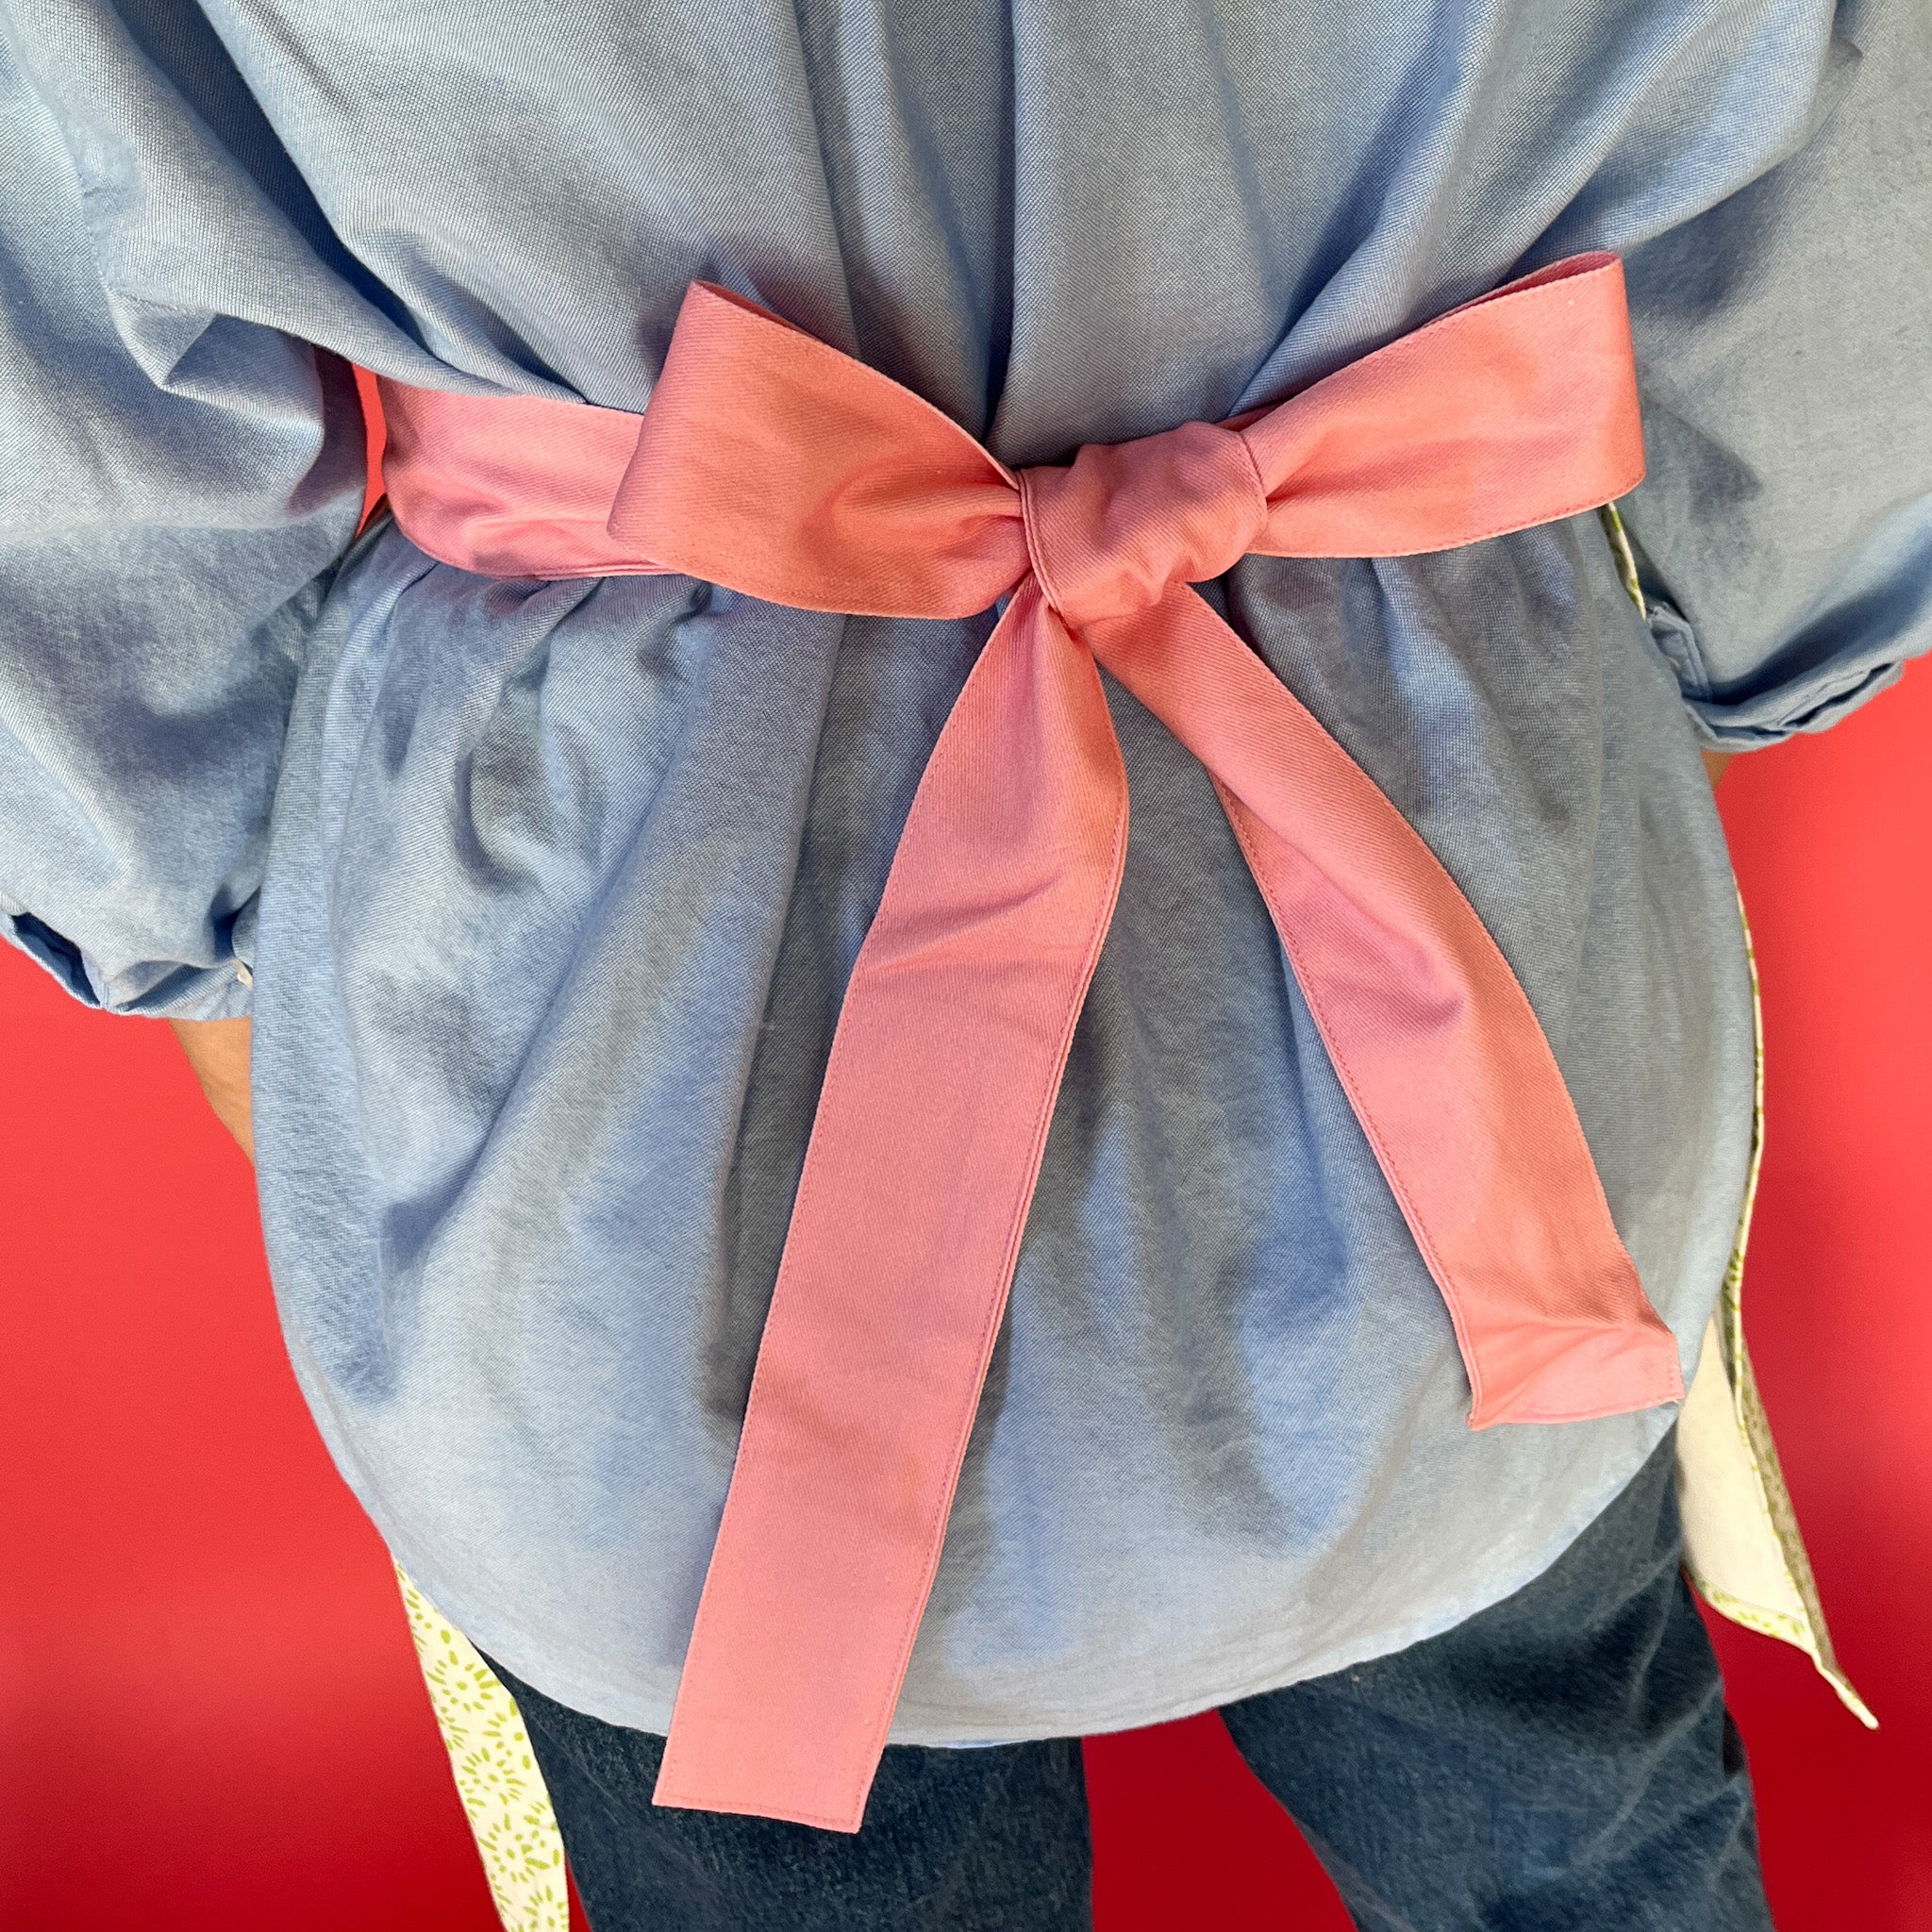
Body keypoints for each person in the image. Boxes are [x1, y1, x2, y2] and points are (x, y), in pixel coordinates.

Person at [2, 0, 1925, 1925]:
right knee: (1571, 1828)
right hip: (1475, 943)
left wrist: (183, 918)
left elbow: (74, 345)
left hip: (606, 1068)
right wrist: (1753, 618)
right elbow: (1844, 180)